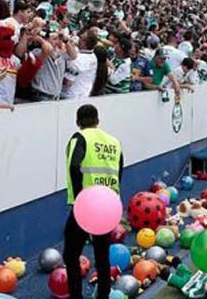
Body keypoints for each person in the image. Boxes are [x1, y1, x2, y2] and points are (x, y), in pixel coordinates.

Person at [63, 104, 123, 299]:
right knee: (102, 255)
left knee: (71, 255)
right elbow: (119, 170)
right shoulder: (114, 142)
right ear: (98, 121)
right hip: (107, 205)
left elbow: (74, 166)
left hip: (87, 204)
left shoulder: (79, 138)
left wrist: (80, 198)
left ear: (77, 122)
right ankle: (103, 296)